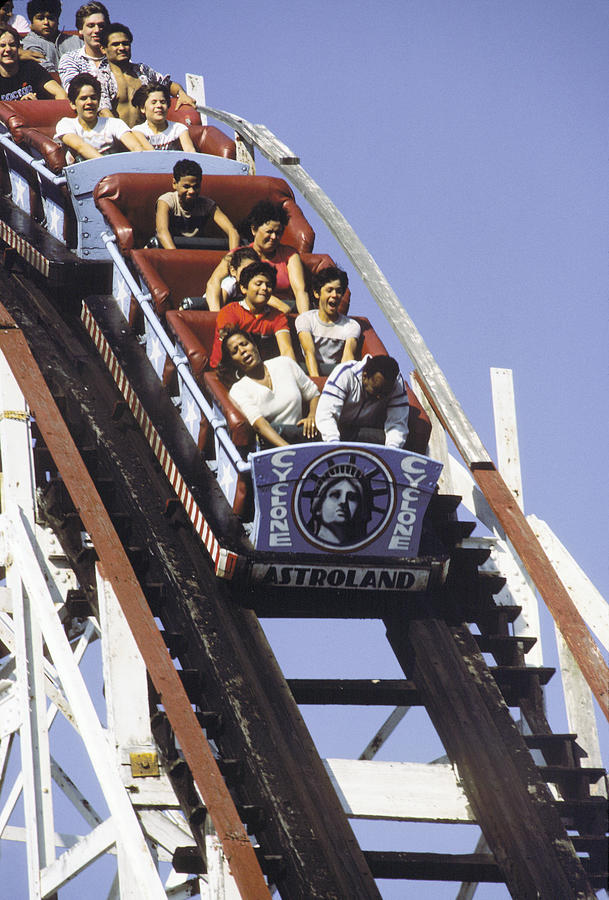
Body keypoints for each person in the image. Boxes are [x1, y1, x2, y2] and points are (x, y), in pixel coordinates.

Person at [217, 327, 319, 448]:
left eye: (244, 344)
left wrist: (312, 416)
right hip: (273, 446)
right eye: (235, 351)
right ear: (233, 362)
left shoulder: (285, 363)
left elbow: (313, 394)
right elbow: (259, 424)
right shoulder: (238, 389)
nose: (242, 351)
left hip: (303, 436)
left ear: (254, 345)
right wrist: (288, 450)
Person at [205, 200, 310, 314]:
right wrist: (215, 315)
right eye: (269, 232)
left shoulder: (289, 255)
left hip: (283, 315)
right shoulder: (239, 255)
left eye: (278, 233)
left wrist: (304, 321)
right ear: (254, 229)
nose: (274, 237)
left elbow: (300, 291)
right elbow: (213, 282)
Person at [100, 23, 195, 127]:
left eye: (125, 43)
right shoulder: (101, 77)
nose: (122, 48)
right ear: (103, 49)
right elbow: (104, 112)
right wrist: (126, 137)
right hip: (118, 138)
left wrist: (181, 93)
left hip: (147, 137)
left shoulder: (142, 70)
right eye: (115, 44)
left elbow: (169, 85)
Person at [209, 262, 296, 368]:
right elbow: (233, 351)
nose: (264, 288)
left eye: (268, 285)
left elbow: (287, 350)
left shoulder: (278, 316)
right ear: (244, 289)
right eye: (258, 284)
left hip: (262, 373)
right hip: (226, 371)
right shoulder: (229, 312)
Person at [315, 354, 410, 448]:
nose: (380, 397)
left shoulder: (396, 385)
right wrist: (334, 446)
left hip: (367, 433)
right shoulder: (346, 374)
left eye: (385, 394)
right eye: (376, 390)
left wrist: (391, 452)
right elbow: (326, 414)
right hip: (338, 429)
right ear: (364, 377)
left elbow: (397, 425)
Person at [54, 73, 150, 161]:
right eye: (83, 98)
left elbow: (135, 147)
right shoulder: (66, 124)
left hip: (115, 173)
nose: (89, 102)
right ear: (73, 104)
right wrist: (107, 165)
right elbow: (80, 146)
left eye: (93, 98)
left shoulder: (114, 123)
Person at [154, 158, 238, 251]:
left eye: (196, 187)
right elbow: (162, 232)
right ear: (174, 183)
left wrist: (233, 255)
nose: (192, 191)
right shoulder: (167, 201)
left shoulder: (207, 205)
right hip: (169, 250)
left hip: (194, 250)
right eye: (186, 186)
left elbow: (232, 231)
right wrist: (177, 257)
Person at [296, 266, 360, 376]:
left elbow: (348, 357)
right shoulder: (305, 319)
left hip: (335, 377)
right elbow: (309, 353)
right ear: (317, 293)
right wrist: (317, 385)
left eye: (338, 291)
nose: (334, 295)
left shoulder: (351, 325)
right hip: (310, 375)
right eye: (329, 290)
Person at [57, 2, 112, 114]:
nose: (97, 30)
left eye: (101, 26)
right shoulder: (71, 59)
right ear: (80, 30)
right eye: (91, 26)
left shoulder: (117, 60)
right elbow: (77, 93)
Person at [306, 465, 371, 545]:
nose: (343, 501)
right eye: (335, 495)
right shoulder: (299, 545)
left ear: (361, 510)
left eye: (351, 497)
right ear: (319, 507)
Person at [180, 246, 259, 311]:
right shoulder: (230, 283)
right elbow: (221, 306)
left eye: (254, 271)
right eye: (245, 270)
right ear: (233, 271)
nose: (249, 275)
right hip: (208, 306)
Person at [0, 23, 66, 99]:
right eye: (2, 45)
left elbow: (61, 94)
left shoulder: (31, 68)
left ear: (18, 48)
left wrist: (34, 105)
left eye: (12, 45)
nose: (8, 49)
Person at [131, 82, 195, 151]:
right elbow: (150, 154)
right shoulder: (138, 131)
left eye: (163, 102)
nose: (159, 106)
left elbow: (190, 152)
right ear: (143, 108)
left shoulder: (179, 129)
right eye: (154, 102)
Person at [22, 0, 80, 71]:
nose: (46, 22)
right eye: (40, 18)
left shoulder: (76, 41)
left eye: (51, 18)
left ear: (57, 20)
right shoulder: (28, 43)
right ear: (31, 22)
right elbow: (44, 68)